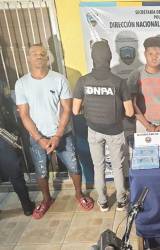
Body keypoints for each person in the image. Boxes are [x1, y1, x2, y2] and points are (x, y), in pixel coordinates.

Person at [15, 44, 94, 219]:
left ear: (47, 58)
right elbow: (24, 115)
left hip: (63, 135)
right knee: (41, 171)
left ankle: (79, 195)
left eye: (42, 53)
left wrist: (58, 135)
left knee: (74, 166)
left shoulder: (59, 79)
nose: (39, 56)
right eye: (34, 54)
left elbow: (67, 109)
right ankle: (46, 199)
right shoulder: (21, 83)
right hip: (37, 138)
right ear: (28, 58)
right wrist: (39, 139)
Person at [73, 40, 134, 212]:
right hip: (115, 130)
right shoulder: (119, 82)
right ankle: (121, 200)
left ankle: (103, 202)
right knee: (117, 166)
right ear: (109, 57)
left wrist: (91, 107)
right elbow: (129, 112)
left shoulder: (83, 81)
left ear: (93, 58)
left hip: (93, 130)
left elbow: (75, 109)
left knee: (98, 166)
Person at [127, 36, 160, 138]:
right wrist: (147, 125)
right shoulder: (136, 74)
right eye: (150, 54)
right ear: (145, 54)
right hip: (143, 126)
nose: (154, 57)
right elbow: (132, 103)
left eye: (157, 54)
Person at [0, 86, 35, 216]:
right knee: (16, 176)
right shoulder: (2, 86)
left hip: (5, 139)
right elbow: (12, 109)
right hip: (5, 139)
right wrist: (14, 138)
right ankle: (27, 207)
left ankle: (27, 206)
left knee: (16, 176)